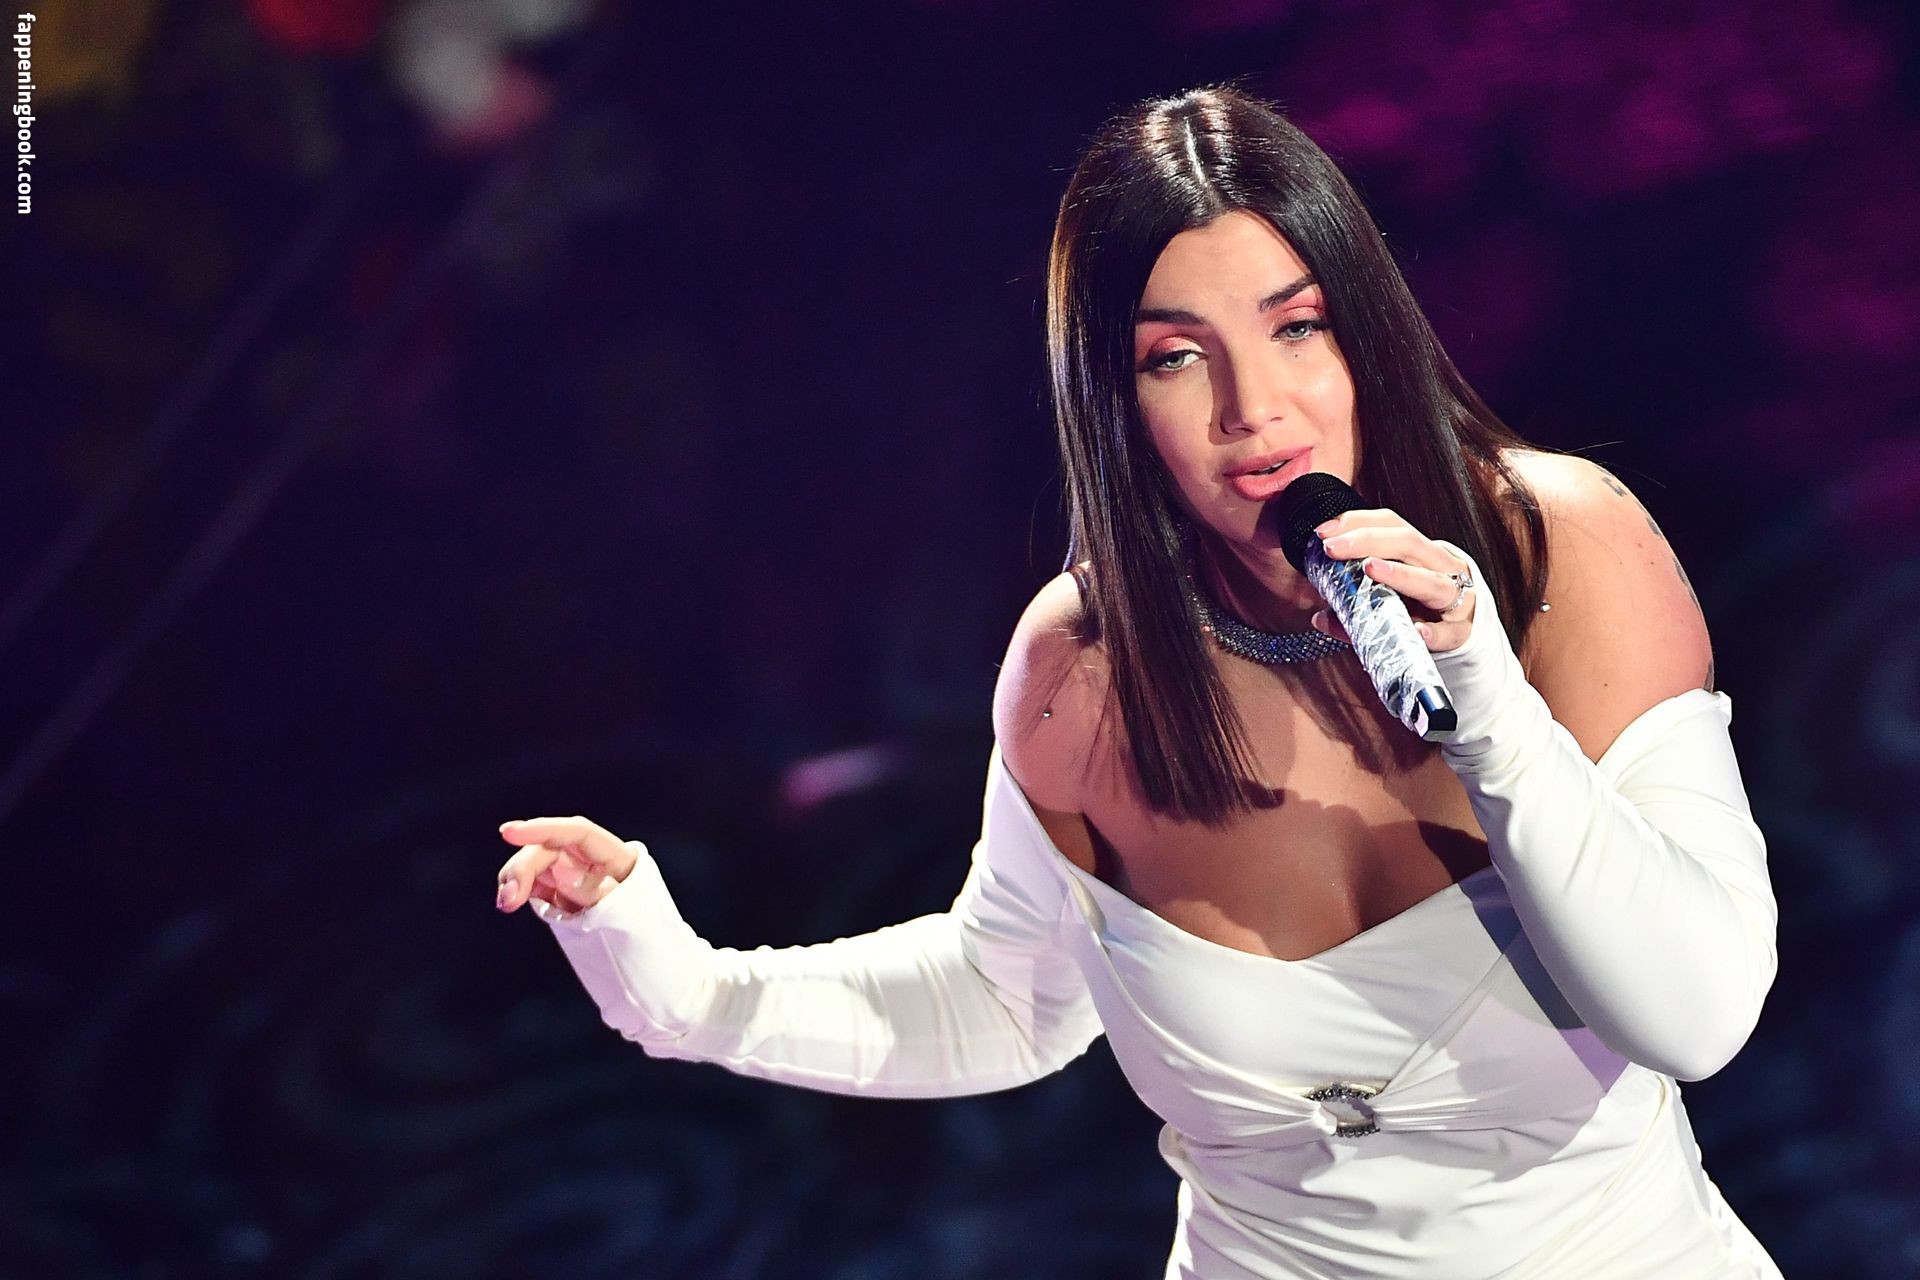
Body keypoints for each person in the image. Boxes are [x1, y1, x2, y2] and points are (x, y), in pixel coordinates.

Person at [492, 83, 1783, 1279]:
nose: (1252, 408)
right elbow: (1005, 999)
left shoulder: (1559, 550)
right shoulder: (1086, 668)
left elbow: (1698, 1019)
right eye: (1177, 356)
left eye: (1297, 327)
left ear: (1367, 333)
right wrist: (683, 989)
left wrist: (1489, 710)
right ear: (1113, 396)